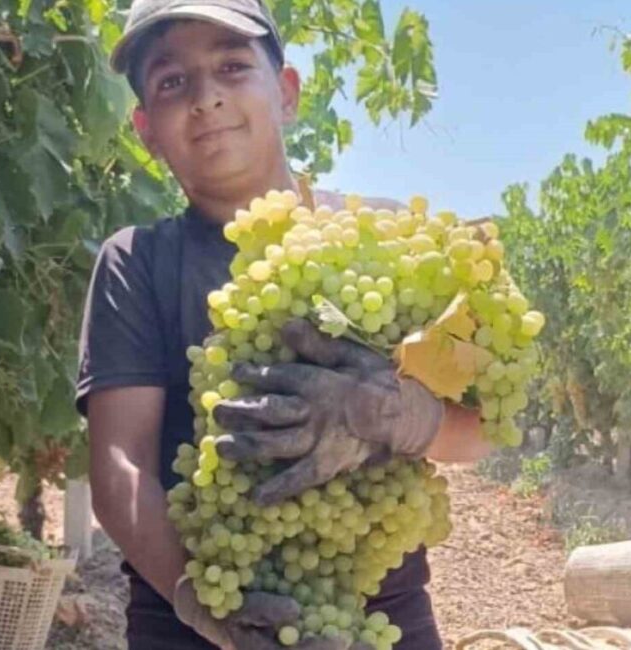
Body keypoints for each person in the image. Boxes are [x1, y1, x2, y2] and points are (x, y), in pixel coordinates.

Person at [75, 1, 493, 647]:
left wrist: (400, 416)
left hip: (378, 621)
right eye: (172, 82)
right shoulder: (137, 261)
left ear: (287, 92)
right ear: (146, 129)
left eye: (232, 67)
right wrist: (200, 603)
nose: (206, 98)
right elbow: (120, 467)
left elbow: (480, 434)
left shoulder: (389, 245)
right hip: (190, 617)